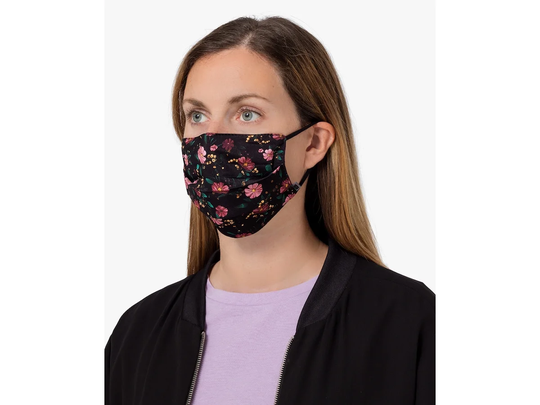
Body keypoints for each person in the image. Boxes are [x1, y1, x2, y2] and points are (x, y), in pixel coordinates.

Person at [105, 16, 435, 405]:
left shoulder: (409, 323)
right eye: (197, 115)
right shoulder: (136, 336)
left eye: (247, 113)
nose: (212, 140)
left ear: (313, 143)